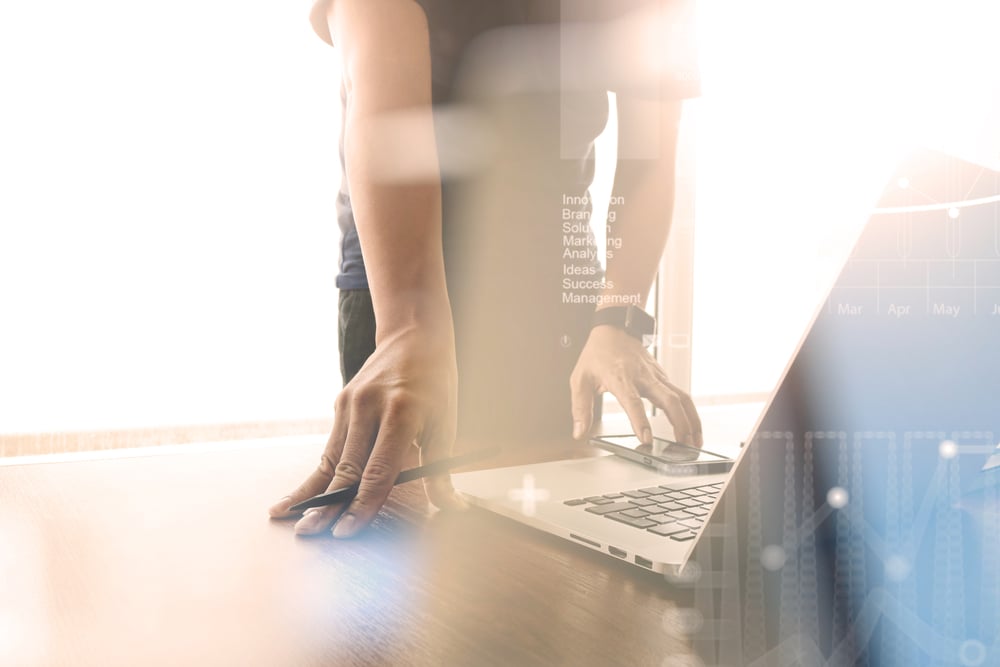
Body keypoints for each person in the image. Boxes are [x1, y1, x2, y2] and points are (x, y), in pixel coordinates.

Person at [269, 0, 703, 538]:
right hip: (403, 264)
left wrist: (617, 316)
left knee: (549, 534)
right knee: (402, 539)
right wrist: (408, 325)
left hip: (550, 283)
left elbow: (650, 155)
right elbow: (385, 94)